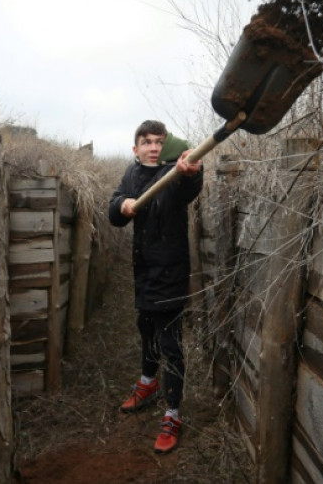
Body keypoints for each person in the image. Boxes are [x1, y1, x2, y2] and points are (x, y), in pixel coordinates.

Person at [108, 120, 202, 454]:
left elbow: (190, 187)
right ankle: (148, 383)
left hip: (171, 274)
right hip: (144, 272)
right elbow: (115, 210)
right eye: (146, 142)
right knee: (145, 329)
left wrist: (191, 170)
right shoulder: (132, 175)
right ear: (136, 149)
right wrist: (123, 205)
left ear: (167, 146)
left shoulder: (174, 174)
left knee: (169, 342)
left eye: (159, 142)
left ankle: (173, 413)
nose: (153, 147)